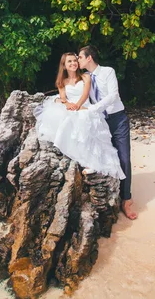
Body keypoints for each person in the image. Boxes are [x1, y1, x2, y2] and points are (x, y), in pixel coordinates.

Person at [35, 52, 126, 180]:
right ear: (64, 66)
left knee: (85, 123)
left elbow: (85, 94)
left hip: (84, 106)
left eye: (74, 60)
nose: (73, 63)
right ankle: (81, 159)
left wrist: (78, 105)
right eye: (69, 62)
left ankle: (93, 163)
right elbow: (63, 97)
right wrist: (67, 104)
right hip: (72, 107)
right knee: (67, 125)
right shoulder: (62, 81)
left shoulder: (85, 77)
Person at [77, 45, 137, 220]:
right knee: (103, 157)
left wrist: (94, 108)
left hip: (117, 119)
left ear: (89, 58)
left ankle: (126, 199)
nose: (78, 60)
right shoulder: (84, 78)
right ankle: (111, 196)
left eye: (80, 57)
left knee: (124, 158)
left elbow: (113, 95)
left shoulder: (107, 72)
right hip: (99, 122)